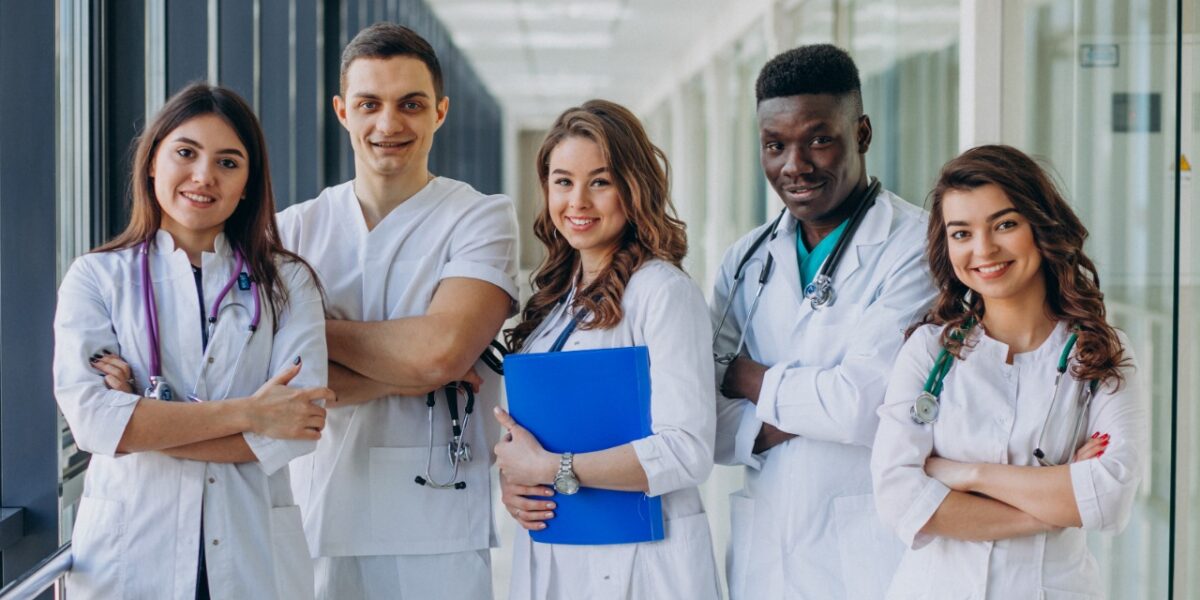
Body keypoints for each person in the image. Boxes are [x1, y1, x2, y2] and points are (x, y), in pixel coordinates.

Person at [53, 83, 331, 599]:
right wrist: (252, 412)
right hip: (131, 554)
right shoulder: (96, 277)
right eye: (186, 153)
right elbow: (94, 423)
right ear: (153, 161)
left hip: (252, 553)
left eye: (229, 162)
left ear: (248, 183)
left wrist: (142, 422)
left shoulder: (287, 281)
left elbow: (297, 426)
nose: (204, 176)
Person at [275, 22, 519, 600]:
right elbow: (275, 379)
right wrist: (406, 372)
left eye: (411, 104)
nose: (389, 124)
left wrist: (310, 334)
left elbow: (440, 353)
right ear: (341, 111)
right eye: (369, 104)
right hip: (314, 511)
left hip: (436, 519)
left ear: (440, 112)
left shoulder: (480, 218)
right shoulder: (292, 228)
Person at [710, 44, 937, 599]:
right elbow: (701, 415)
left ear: (861, 133)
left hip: (870, 555)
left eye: (818, 138)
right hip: (766, 553)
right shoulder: (746, 260)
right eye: (775, 145)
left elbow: (864, 407)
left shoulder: (919, 247)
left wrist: (744, 378)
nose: (795, 165)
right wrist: (815, 405)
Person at [870, 144, 1146, 599]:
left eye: (1005, 224)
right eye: (961, 233)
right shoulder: (928, 352)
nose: (983, 249)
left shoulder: (1101, 354)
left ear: (1041, 225)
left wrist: (965, 475)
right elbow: (898, 497)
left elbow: (1110, 494)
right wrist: (1053, 507)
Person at [492, 99, 720, 599]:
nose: (578, 201)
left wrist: (551, 470)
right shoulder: (555, 298)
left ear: (633, 187)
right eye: (562, 182)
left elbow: (688, 450)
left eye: (600, 181)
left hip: (644, 561)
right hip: (557, 550)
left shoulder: (663, 292)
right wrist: (518, 484)